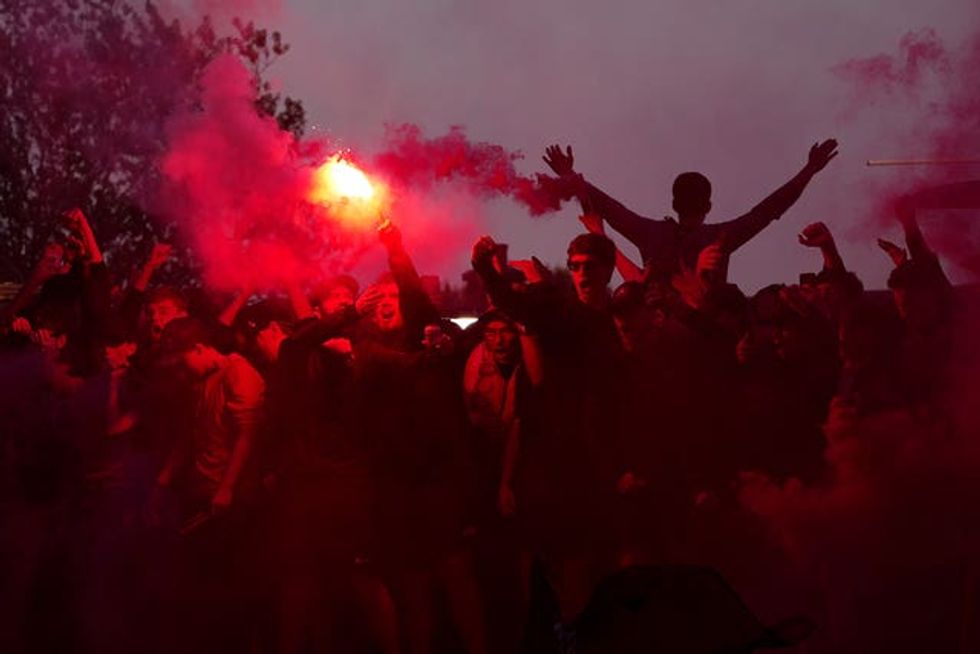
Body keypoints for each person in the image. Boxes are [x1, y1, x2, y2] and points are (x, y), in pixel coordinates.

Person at [541, 140, 838, 282]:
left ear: (673, 204)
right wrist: (809, 170)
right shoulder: (721, 237)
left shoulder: (650, 233)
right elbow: (768, 210)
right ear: (708, 205)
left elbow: (607, 208)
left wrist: (570, 176)